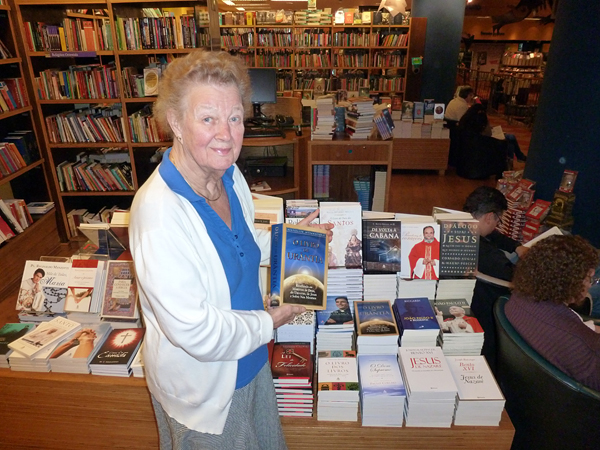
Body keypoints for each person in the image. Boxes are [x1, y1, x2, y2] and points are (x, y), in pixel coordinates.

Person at [128, 50, 333, 449]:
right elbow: (198, 332)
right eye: (208, 118)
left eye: (234, 117)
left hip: (251, 360)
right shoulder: (157, 213)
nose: (226, 134)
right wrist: (273, 320)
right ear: (176, 122)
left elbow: (237, 247)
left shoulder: (229, 174)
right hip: (206, 391)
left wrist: (287, 241)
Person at [505, 235, 600, 391]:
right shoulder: (580, 347)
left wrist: (591, 329)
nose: (590, 285)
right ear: (570, 282)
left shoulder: (518, 300)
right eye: (589, 278)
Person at [463, 186, 529, 373]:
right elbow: (516, 277)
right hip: (493, 314)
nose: (496, 226)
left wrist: (516, 246)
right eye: (497, 221)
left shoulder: (461, 228)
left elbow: (493, 234)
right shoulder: (488, 256)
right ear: (489, 217)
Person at [458, 103, 527, 162]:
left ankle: (516, 158)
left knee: (510, 139)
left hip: (475, 144)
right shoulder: (480, 121)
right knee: (510, 139)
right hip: (485, 143)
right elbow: (488, 134)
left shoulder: (465, 120)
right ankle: (515, 159)